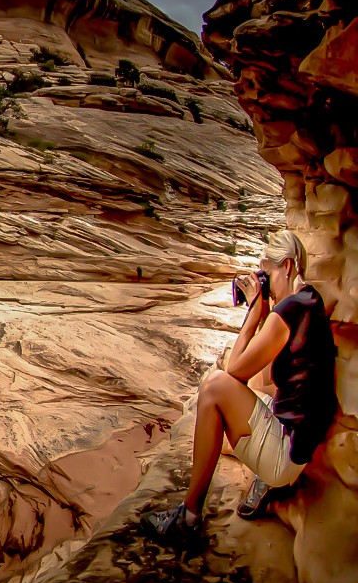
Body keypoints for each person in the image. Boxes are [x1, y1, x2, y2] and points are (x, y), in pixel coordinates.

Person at [144, 230, 338, 542]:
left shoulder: (288, 311)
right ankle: (252, 485)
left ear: (287, 267)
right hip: (302, 440)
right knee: (247, 392)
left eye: (269, 273)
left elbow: (236, 372)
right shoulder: (309, 300)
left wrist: (254, 311)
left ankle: (189, 517)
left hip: (287, 454)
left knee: (215, 385)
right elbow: (263, 375)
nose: (268, 283)